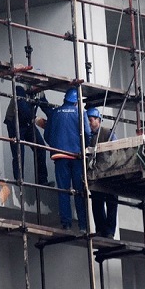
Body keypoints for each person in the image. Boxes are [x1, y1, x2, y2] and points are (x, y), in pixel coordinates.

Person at [43, 87, 91, 231]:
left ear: (65, 99)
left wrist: (56, 145)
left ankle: (66, 224)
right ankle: (83, 226)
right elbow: (87, 134)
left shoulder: (55, 113)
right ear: (76, 102)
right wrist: (83, 147)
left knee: (63, 190)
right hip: (76, 157)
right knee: (79, 190)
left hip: (60, 157)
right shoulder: (80, 113)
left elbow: (47, 135)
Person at [3, 85, 50, 188]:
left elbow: (46, 106)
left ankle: (42, 180)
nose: (38, 88)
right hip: (15, 122)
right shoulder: (20, 89)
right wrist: (36, 119)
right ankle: (19, 178)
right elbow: (22, 108)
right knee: (19, 150)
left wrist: (55, 118)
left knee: (41, 147)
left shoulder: (39, 91)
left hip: (28, 123)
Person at [87, 107, 118, 238]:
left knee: (111, 202)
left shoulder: (107, 133)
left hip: (109, 173)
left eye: (91, 120)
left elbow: (117, 150)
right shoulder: (87, 136)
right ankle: (101, 230)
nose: (89, 123)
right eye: (87, 120)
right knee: (97, 202)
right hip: (96, 174)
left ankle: (109, 231)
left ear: (98, 120)